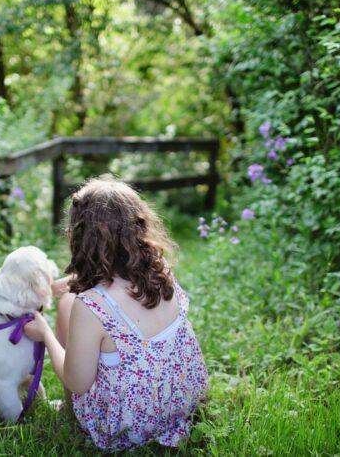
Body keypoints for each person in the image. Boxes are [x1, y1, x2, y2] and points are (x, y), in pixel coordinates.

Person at [23, 176, 209, 450]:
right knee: (72, 301)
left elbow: (78, 382)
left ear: (81, 236)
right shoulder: (161, 272)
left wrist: (46, 335)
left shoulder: (90, 306)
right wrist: (75, 281)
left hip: (127, 425)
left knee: (67, 305)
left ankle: (71, 413)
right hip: (182, 402)